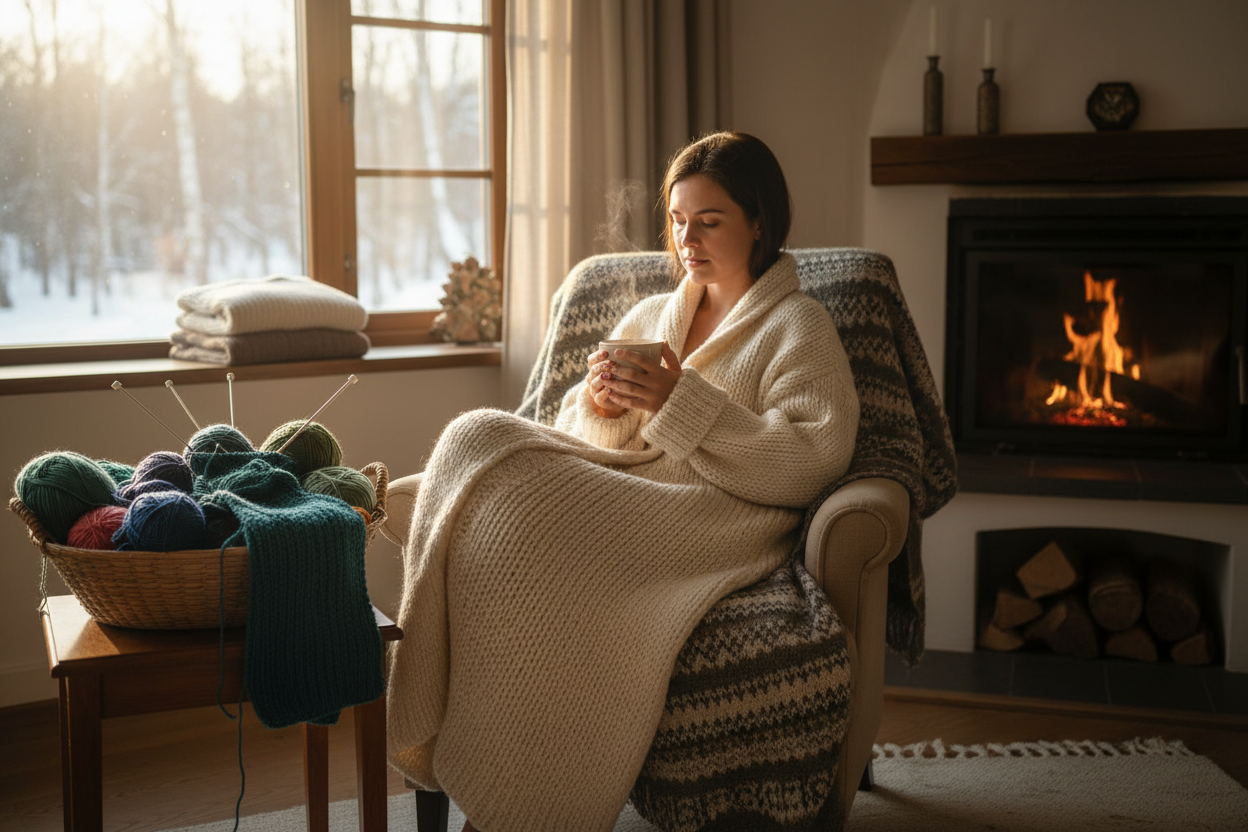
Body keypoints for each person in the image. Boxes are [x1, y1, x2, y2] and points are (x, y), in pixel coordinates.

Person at [383, 131, 860, 832]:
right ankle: (436, 714)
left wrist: (678, 402)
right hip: (629, 486)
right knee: (473, 434)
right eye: (676, 220)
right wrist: (600, 408)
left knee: (513, 487)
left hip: (711, 518)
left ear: (760, 221)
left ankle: (525, 801)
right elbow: (586, 438)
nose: (686, 238)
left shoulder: (799, 327)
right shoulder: (648, 317)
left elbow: (812, 458)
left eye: (709, 220)